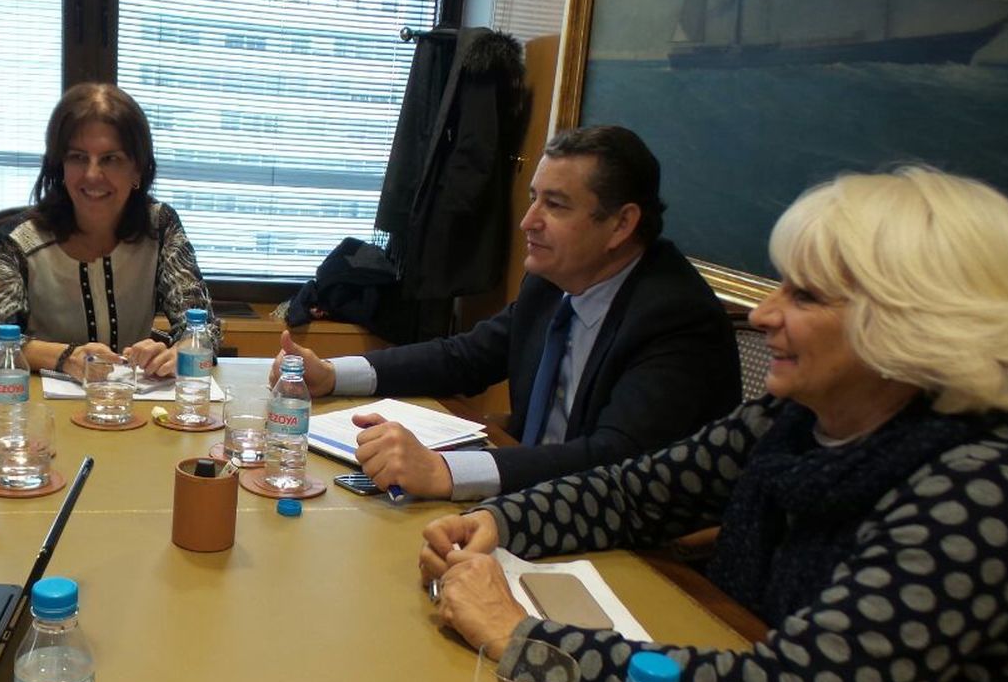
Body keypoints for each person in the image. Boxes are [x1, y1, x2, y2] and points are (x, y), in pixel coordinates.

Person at [421, 167, 1008, 682]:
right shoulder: (796, 417)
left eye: (805, 295)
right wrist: (502, 522)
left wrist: (523, 639)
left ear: (915, 326)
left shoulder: (986, 490)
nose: (763, 315)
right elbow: (638, 491)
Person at [271, 125, 739, 500]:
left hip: (629, 540)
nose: (527, 221)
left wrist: (442, 470)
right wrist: (332, 374)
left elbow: (615, 459)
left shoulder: (674, 317)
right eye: (534, 197)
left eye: (554, 205)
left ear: (622, 224)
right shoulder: (553, 281)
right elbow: (466, 357)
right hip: (528, 496)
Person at [0, 83, 218, 378]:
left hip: (135, 405)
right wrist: (66, 358)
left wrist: (179, 350)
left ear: (137, 170)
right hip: (40, 410)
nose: (93, 175)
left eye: (111, 159)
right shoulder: (20, 240)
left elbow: (203, 328)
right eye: (78, 157)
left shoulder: (161, 226)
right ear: (60, 167)